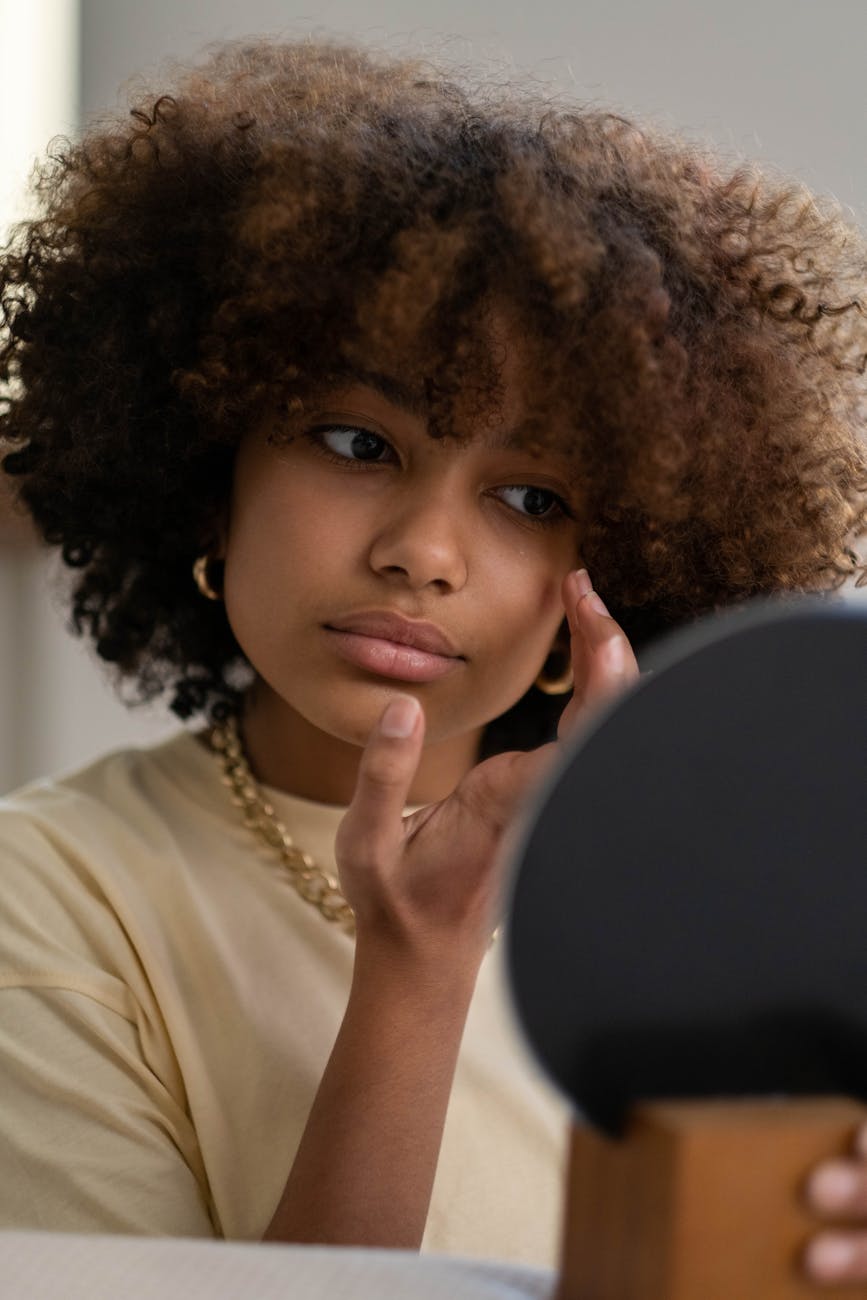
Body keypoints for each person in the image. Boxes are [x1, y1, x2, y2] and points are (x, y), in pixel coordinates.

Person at [1, 35, 866, 1282]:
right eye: (356, 441)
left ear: (618, 566)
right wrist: (415, 974)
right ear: (206, 479)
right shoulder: (50, 902)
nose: (425, 552)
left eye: (527, 496)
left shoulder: (737, 939)